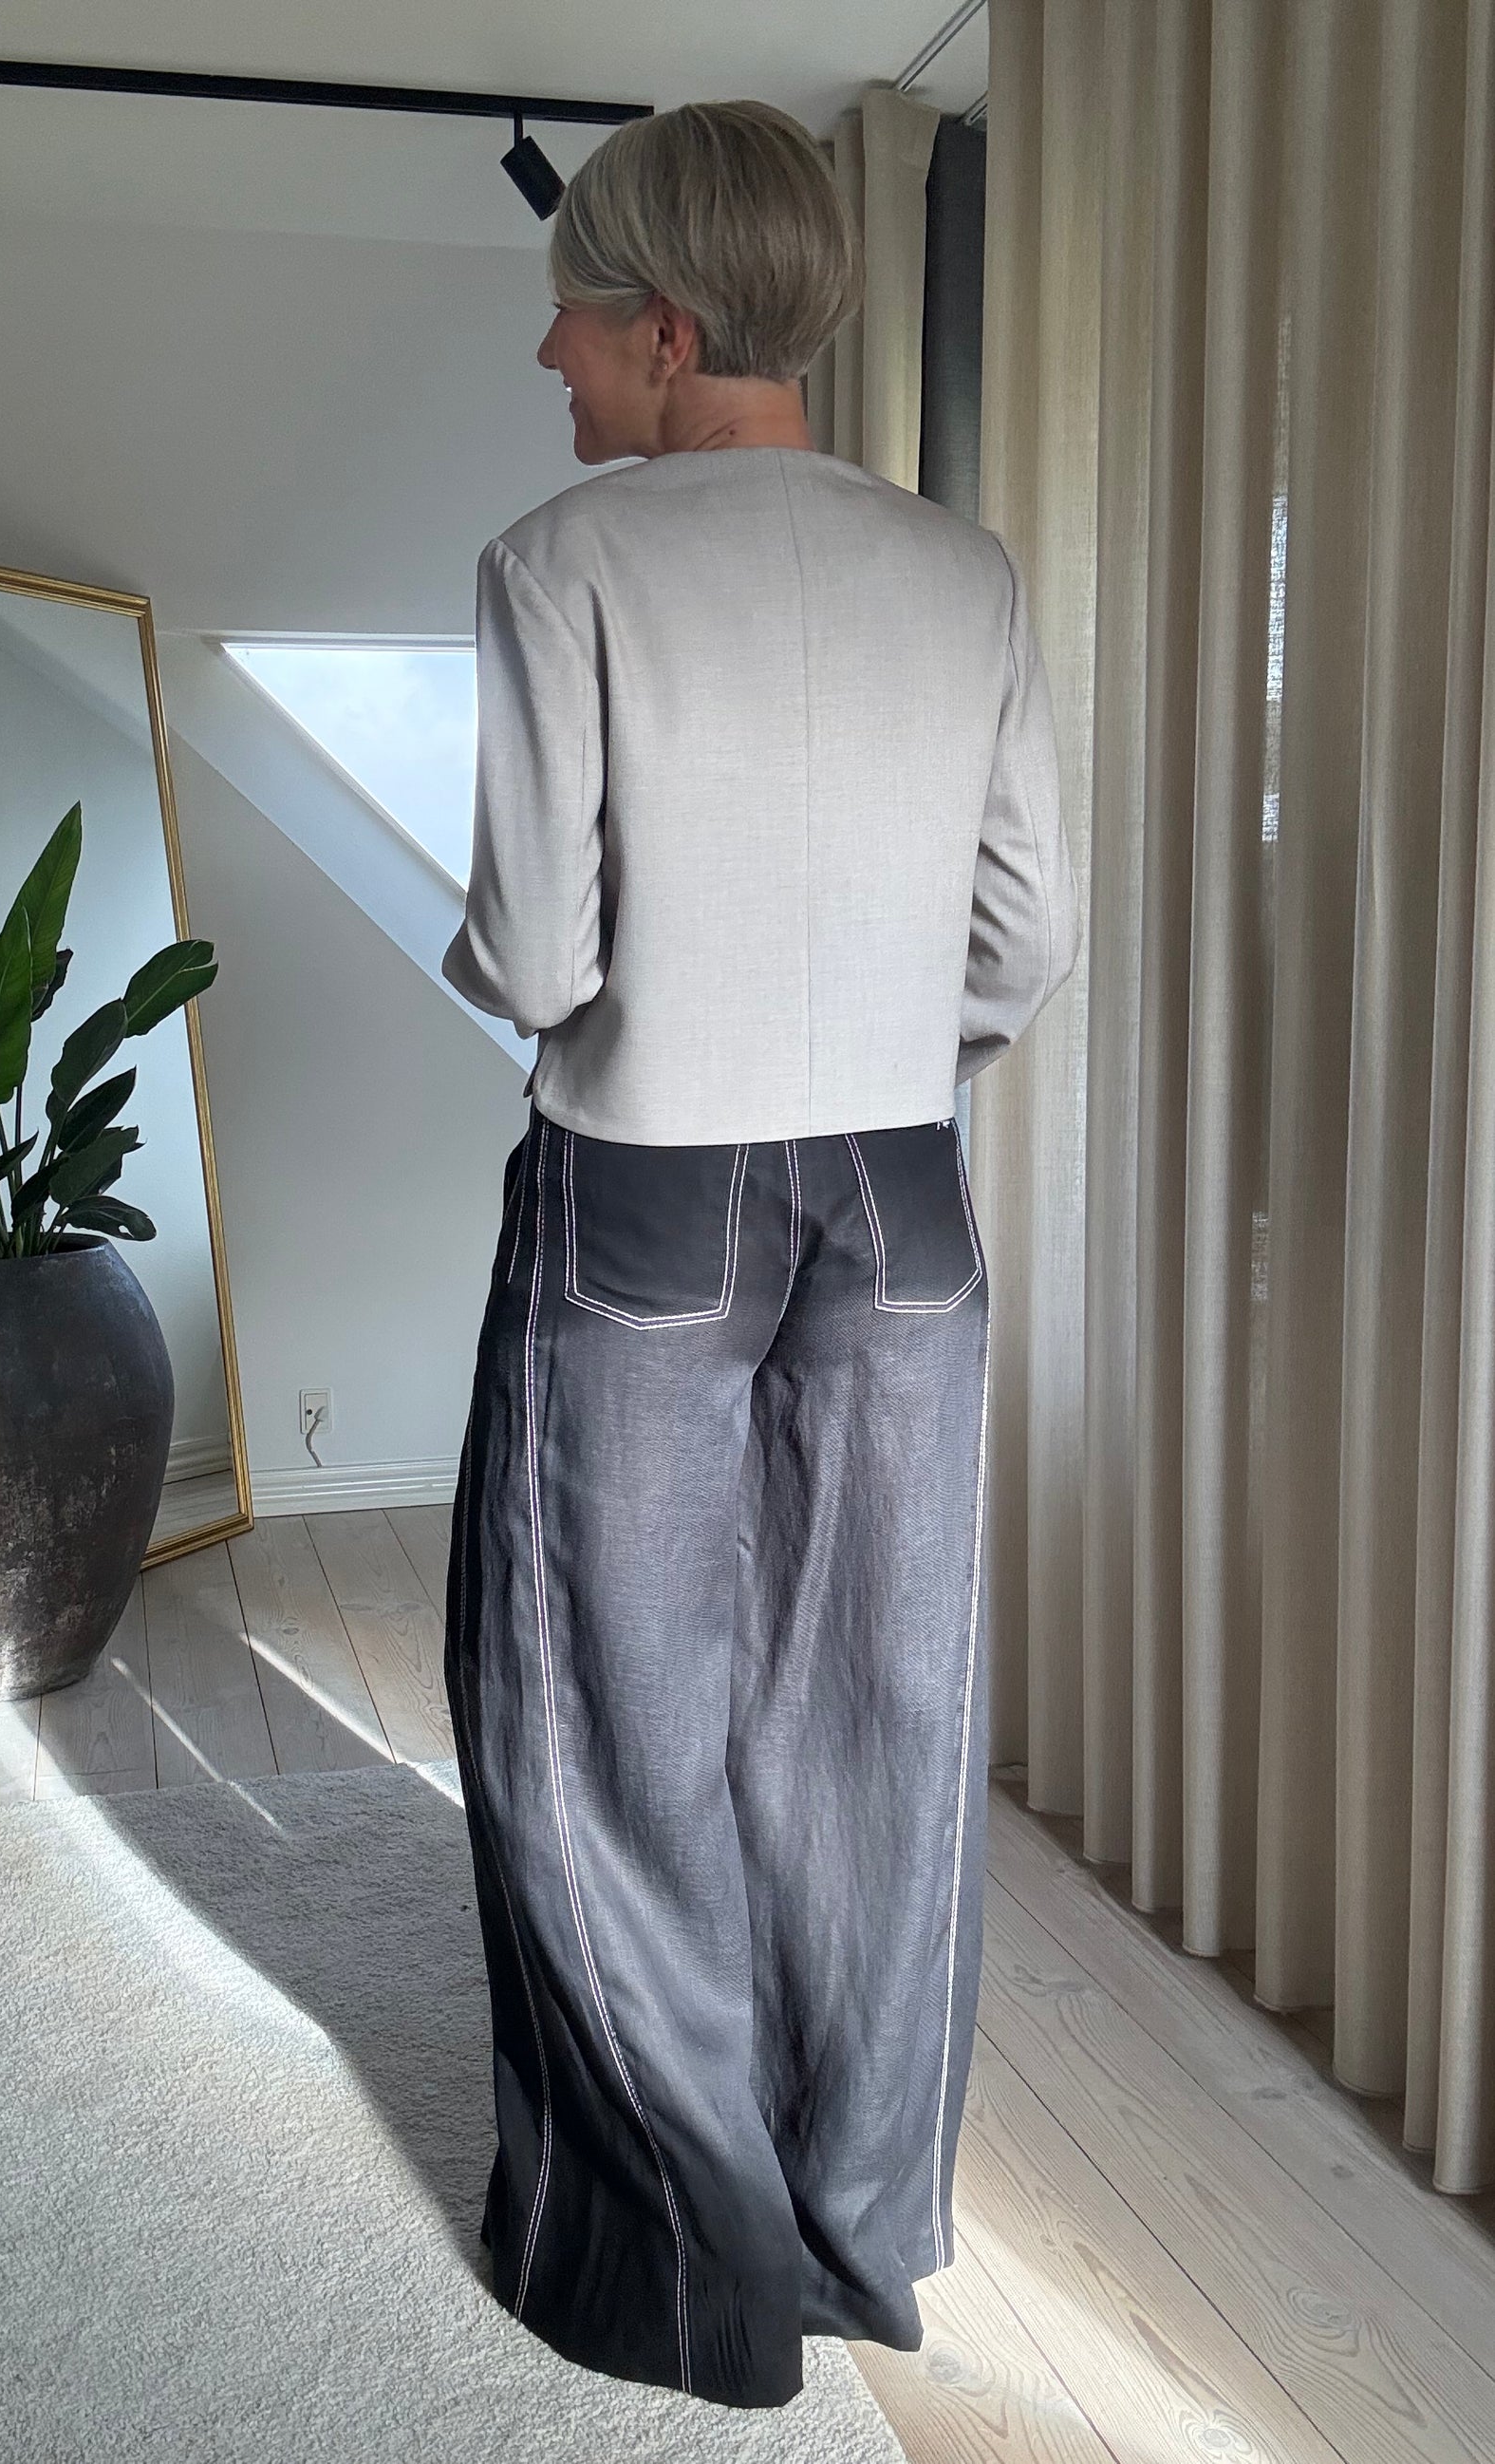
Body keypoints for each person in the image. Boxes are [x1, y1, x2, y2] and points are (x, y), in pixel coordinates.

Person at [440, 98, 1077, 2410]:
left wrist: (532, 975)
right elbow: (1031, 936)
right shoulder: (961, 572)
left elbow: (535, 955)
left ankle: (684, 2273)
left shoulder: (559, 563)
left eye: (570, 313)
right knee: (875, 1713)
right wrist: (883, 1057)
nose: (547, 354)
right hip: (900, 1189)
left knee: (598, 1714)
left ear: (667, 328)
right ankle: (860, 2227)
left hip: (644, 1186)